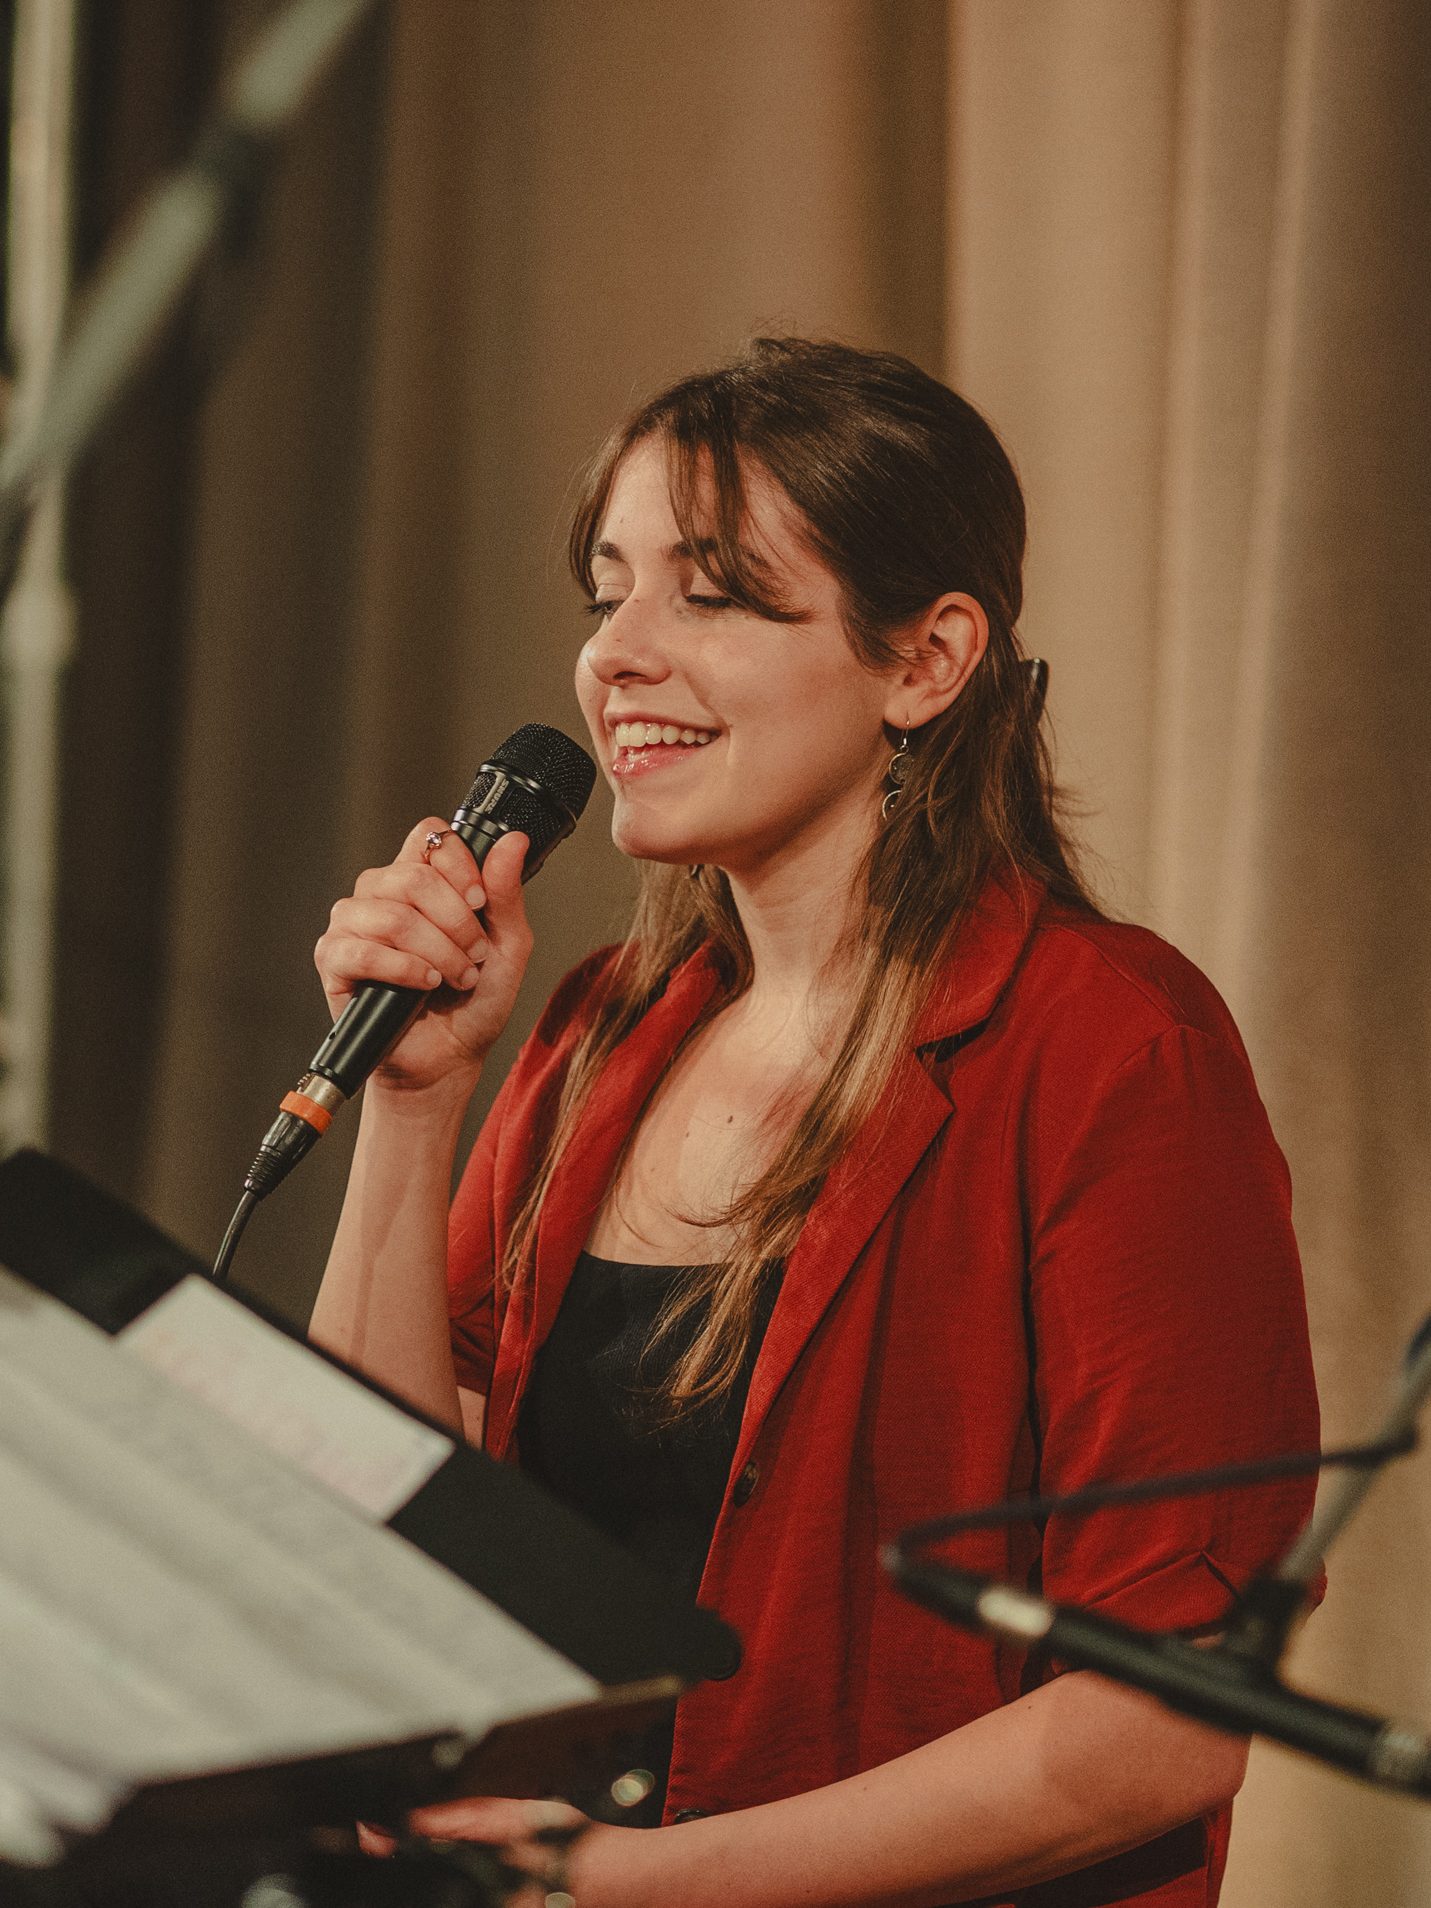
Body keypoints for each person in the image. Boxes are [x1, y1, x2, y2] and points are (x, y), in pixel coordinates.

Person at [309, 338, 1321, 1908]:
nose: (616, 657)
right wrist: (413, 1104)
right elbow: (379, 1526)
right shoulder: (600, 1029)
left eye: (712, 596)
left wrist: (633, 1884)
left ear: (926, 660)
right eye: (607, 594)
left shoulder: (1114, 1048)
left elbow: (1163, 1725)